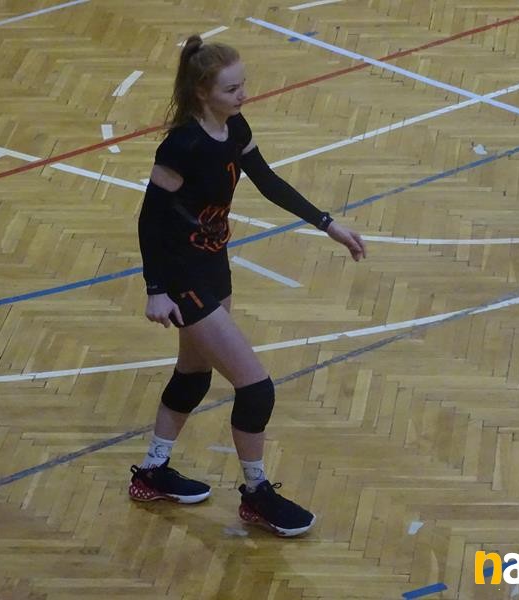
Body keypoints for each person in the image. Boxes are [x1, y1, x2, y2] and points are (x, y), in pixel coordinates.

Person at [128, 35, 366, 537]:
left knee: (193, 374)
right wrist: (156, 288)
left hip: (214, 265)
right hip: (183, 275)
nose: (244, 95)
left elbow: (269, 181)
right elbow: (150, 220)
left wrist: (328, 225)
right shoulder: (182, 146)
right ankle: (256, 494)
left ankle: (151, 471)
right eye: (232, 89)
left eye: (243, 85)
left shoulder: (235, 127)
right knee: (256, 388)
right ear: (202, 92)